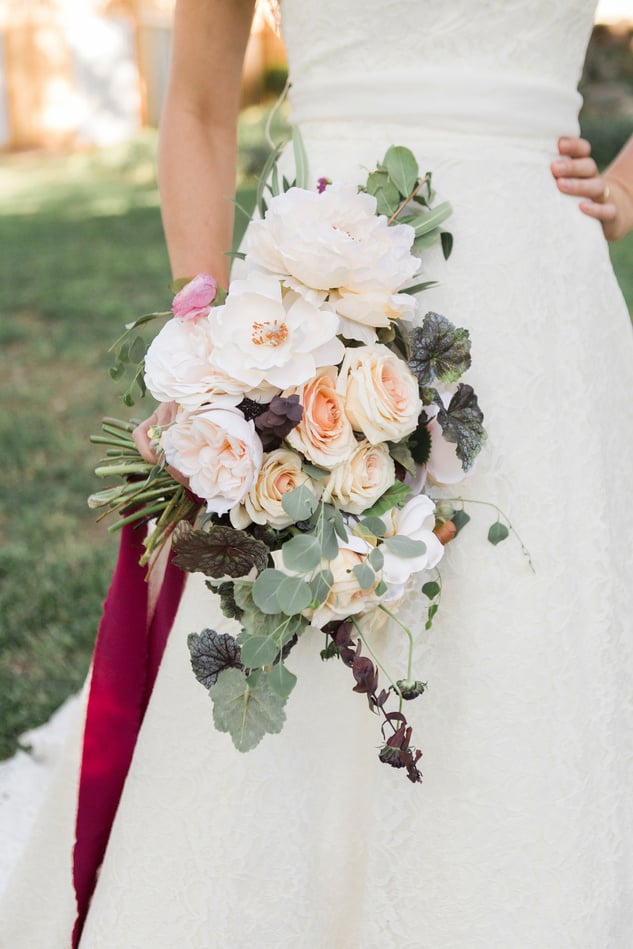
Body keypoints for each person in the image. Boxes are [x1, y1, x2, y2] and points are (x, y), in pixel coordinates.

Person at [2, 1, 633, 946]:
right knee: (295, 615)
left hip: (538, 297)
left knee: (533, 624)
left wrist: (625, 189)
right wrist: (208, 340)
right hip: (309, 291)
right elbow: (203, 106)